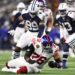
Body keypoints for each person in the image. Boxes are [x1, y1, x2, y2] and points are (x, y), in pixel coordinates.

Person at [56, 3, 75, 68]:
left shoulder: (72, 15)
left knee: (66, 45)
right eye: (60, 10)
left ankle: (63, 64)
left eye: (63, 10)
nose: (62, 12)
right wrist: (61, 36)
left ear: (66, 10)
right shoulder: (58, 17)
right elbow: (61, 27)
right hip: (70, 35)